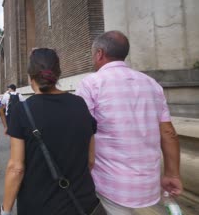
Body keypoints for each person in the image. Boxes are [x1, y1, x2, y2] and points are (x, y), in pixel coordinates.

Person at [75, 31, 182, 213]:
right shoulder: (152, 84)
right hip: (148, 185)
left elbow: (80, 132)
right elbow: (168, 133)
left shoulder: (91, 83)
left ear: (99, 53)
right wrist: (172, 173)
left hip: (109, 184)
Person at [2, 48, 100, 215]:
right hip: (82, 203)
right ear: (58, 74)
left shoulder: (22, 110)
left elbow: (16, 168)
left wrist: (5, 210)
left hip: (38, 205)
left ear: (30, 76)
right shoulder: (79, 104)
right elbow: (90, 160)